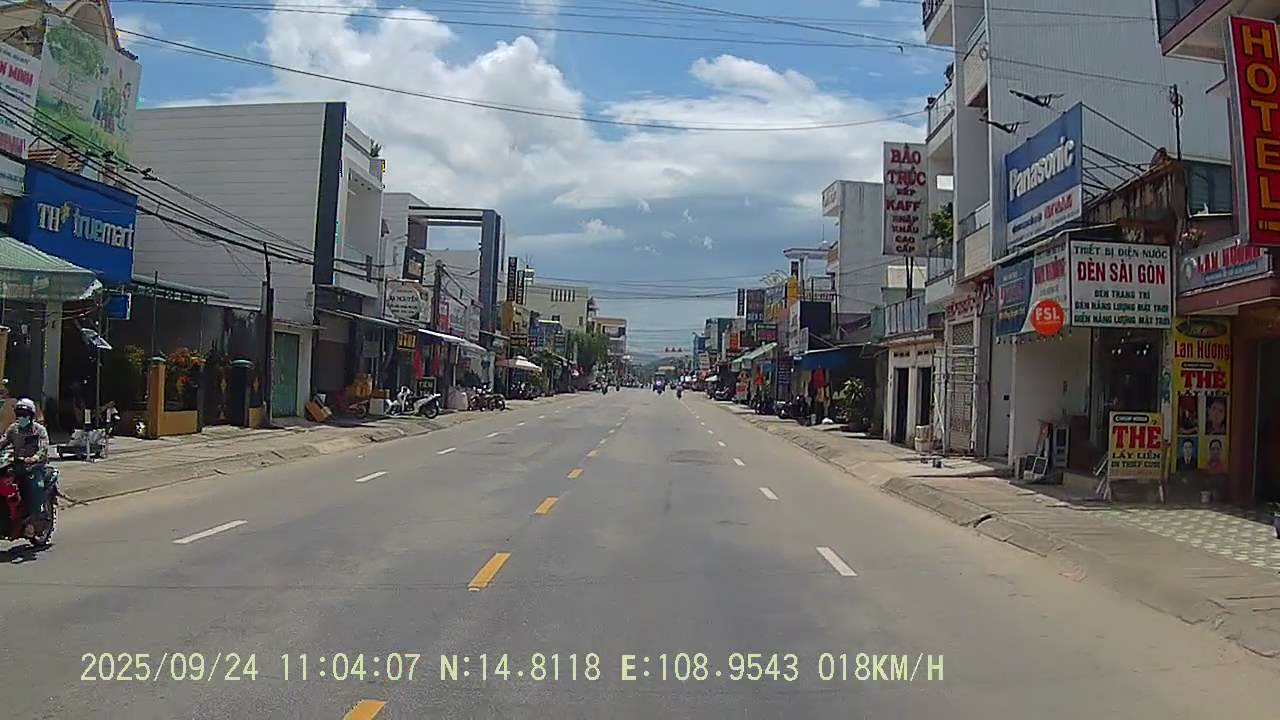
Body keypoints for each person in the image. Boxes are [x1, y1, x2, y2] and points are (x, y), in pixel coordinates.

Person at [0, 398, 50, 522]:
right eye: (19, 414)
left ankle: (37, 515)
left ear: (31, 416)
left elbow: (43, 448)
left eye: (24, 415)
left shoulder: (39, 430)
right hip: (17, 465)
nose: (21, 417)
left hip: (34, 467)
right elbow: (3, 441)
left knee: (35, 486)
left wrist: (35, 457)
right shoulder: (13, 429)